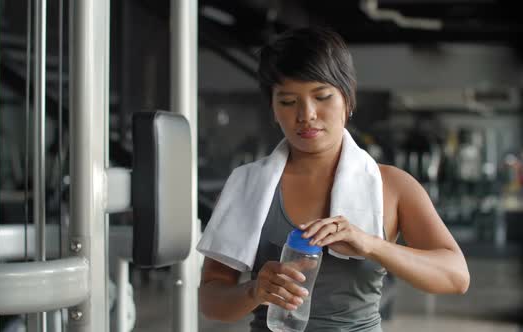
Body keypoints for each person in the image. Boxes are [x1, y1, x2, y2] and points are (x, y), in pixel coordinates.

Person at [197, 27, 470, 332]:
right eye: (288, 102)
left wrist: (371, 245)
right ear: (273, 109)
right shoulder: (245, 186)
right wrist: (254, 291)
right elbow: (211, 302)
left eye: (322, 97)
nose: (307, 114)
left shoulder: (393, 186)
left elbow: (456, 276)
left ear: (348, 99)